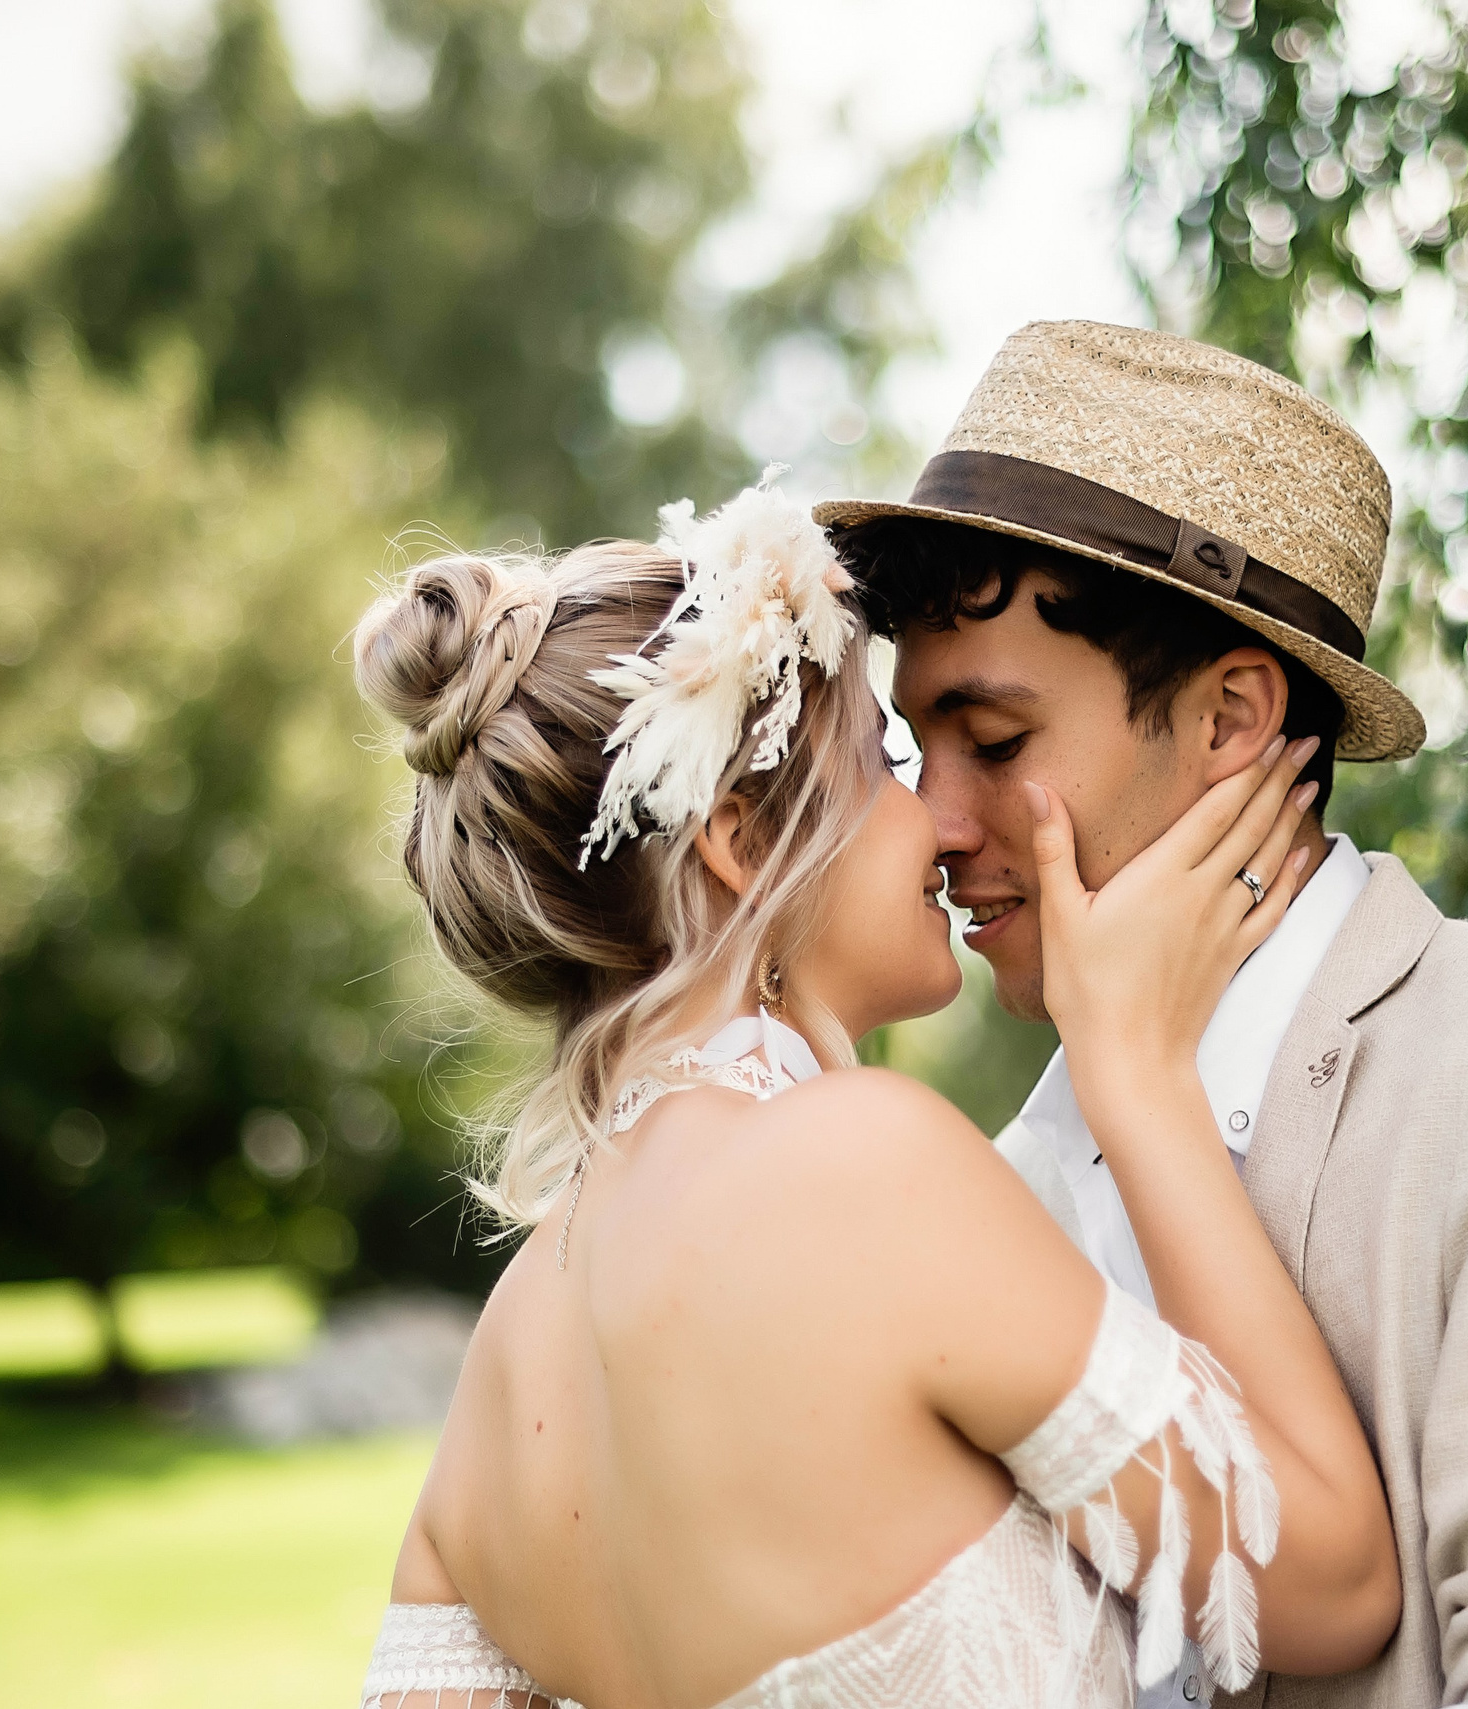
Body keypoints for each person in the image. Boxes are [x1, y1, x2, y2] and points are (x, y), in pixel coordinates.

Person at [821, 320, 1468, 1709]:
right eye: (920, 751)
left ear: (1231, 720)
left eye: (995, 742)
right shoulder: (1001, 1187)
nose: (933, 820)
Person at [349, 478, 1402, 1709]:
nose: (939, 820)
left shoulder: (499, 1383)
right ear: (739, 841)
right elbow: (1328, 1580)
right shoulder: (862, 1162)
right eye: (882, 760)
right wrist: (1141, 1078)